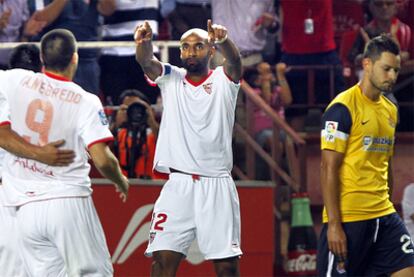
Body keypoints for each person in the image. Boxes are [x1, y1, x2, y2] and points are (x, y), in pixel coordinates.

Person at [0, 29, 129, 276]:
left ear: (42, 60)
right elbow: (102, 158)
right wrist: (119, 180)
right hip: (67, 201)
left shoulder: (12, 80)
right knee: (95, 273)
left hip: (26, 208)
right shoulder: (85, 100)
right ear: (75, 58)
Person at [135, 19, 242, 276]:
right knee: (162, 262)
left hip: (216, 185)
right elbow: (147, 62)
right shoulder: (171, 77)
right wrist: (143, 43)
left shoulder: (223, 80)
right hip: (178, 185)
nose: (191, 52)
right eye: (185, 47)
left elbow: (235, 62)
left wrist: (224, 39)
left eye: (198, 46)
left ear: (211, 50)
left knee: (227, 268)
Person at [317, 34, 414, 276]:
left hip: (384, 215)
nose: (392, 76)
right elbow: (328, 168)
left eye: (396, 70)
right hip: (350, 219)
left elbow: (386, 163)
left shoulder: (391, 110)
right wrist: (335, 225)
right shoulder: (342, 108)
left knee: (407, 269)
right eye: (386, 69)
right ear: (367, 64)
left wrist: (389, 203)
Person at [111, 89, 161, 179]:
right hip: (121, 186)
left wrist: (152, 122)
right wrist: (116, 125)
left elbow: (166, 144)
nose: (134, 112)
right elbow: (100, 148)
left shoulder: (154, 133)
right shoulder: (119, 135)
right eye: (128, 108)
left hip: (151, 187)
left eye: (138, 108)